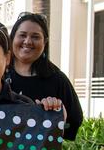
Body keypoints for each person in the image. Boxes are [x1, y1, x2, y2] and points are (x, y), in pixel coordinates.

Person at [7, 12, 83, 140]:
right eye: (22, 35)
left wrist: (57, 117)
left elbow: (74, 121)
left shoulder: (57, 79)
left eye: (35, 37)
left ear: (45, 42)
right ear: (12, 38)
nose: (28, 41)